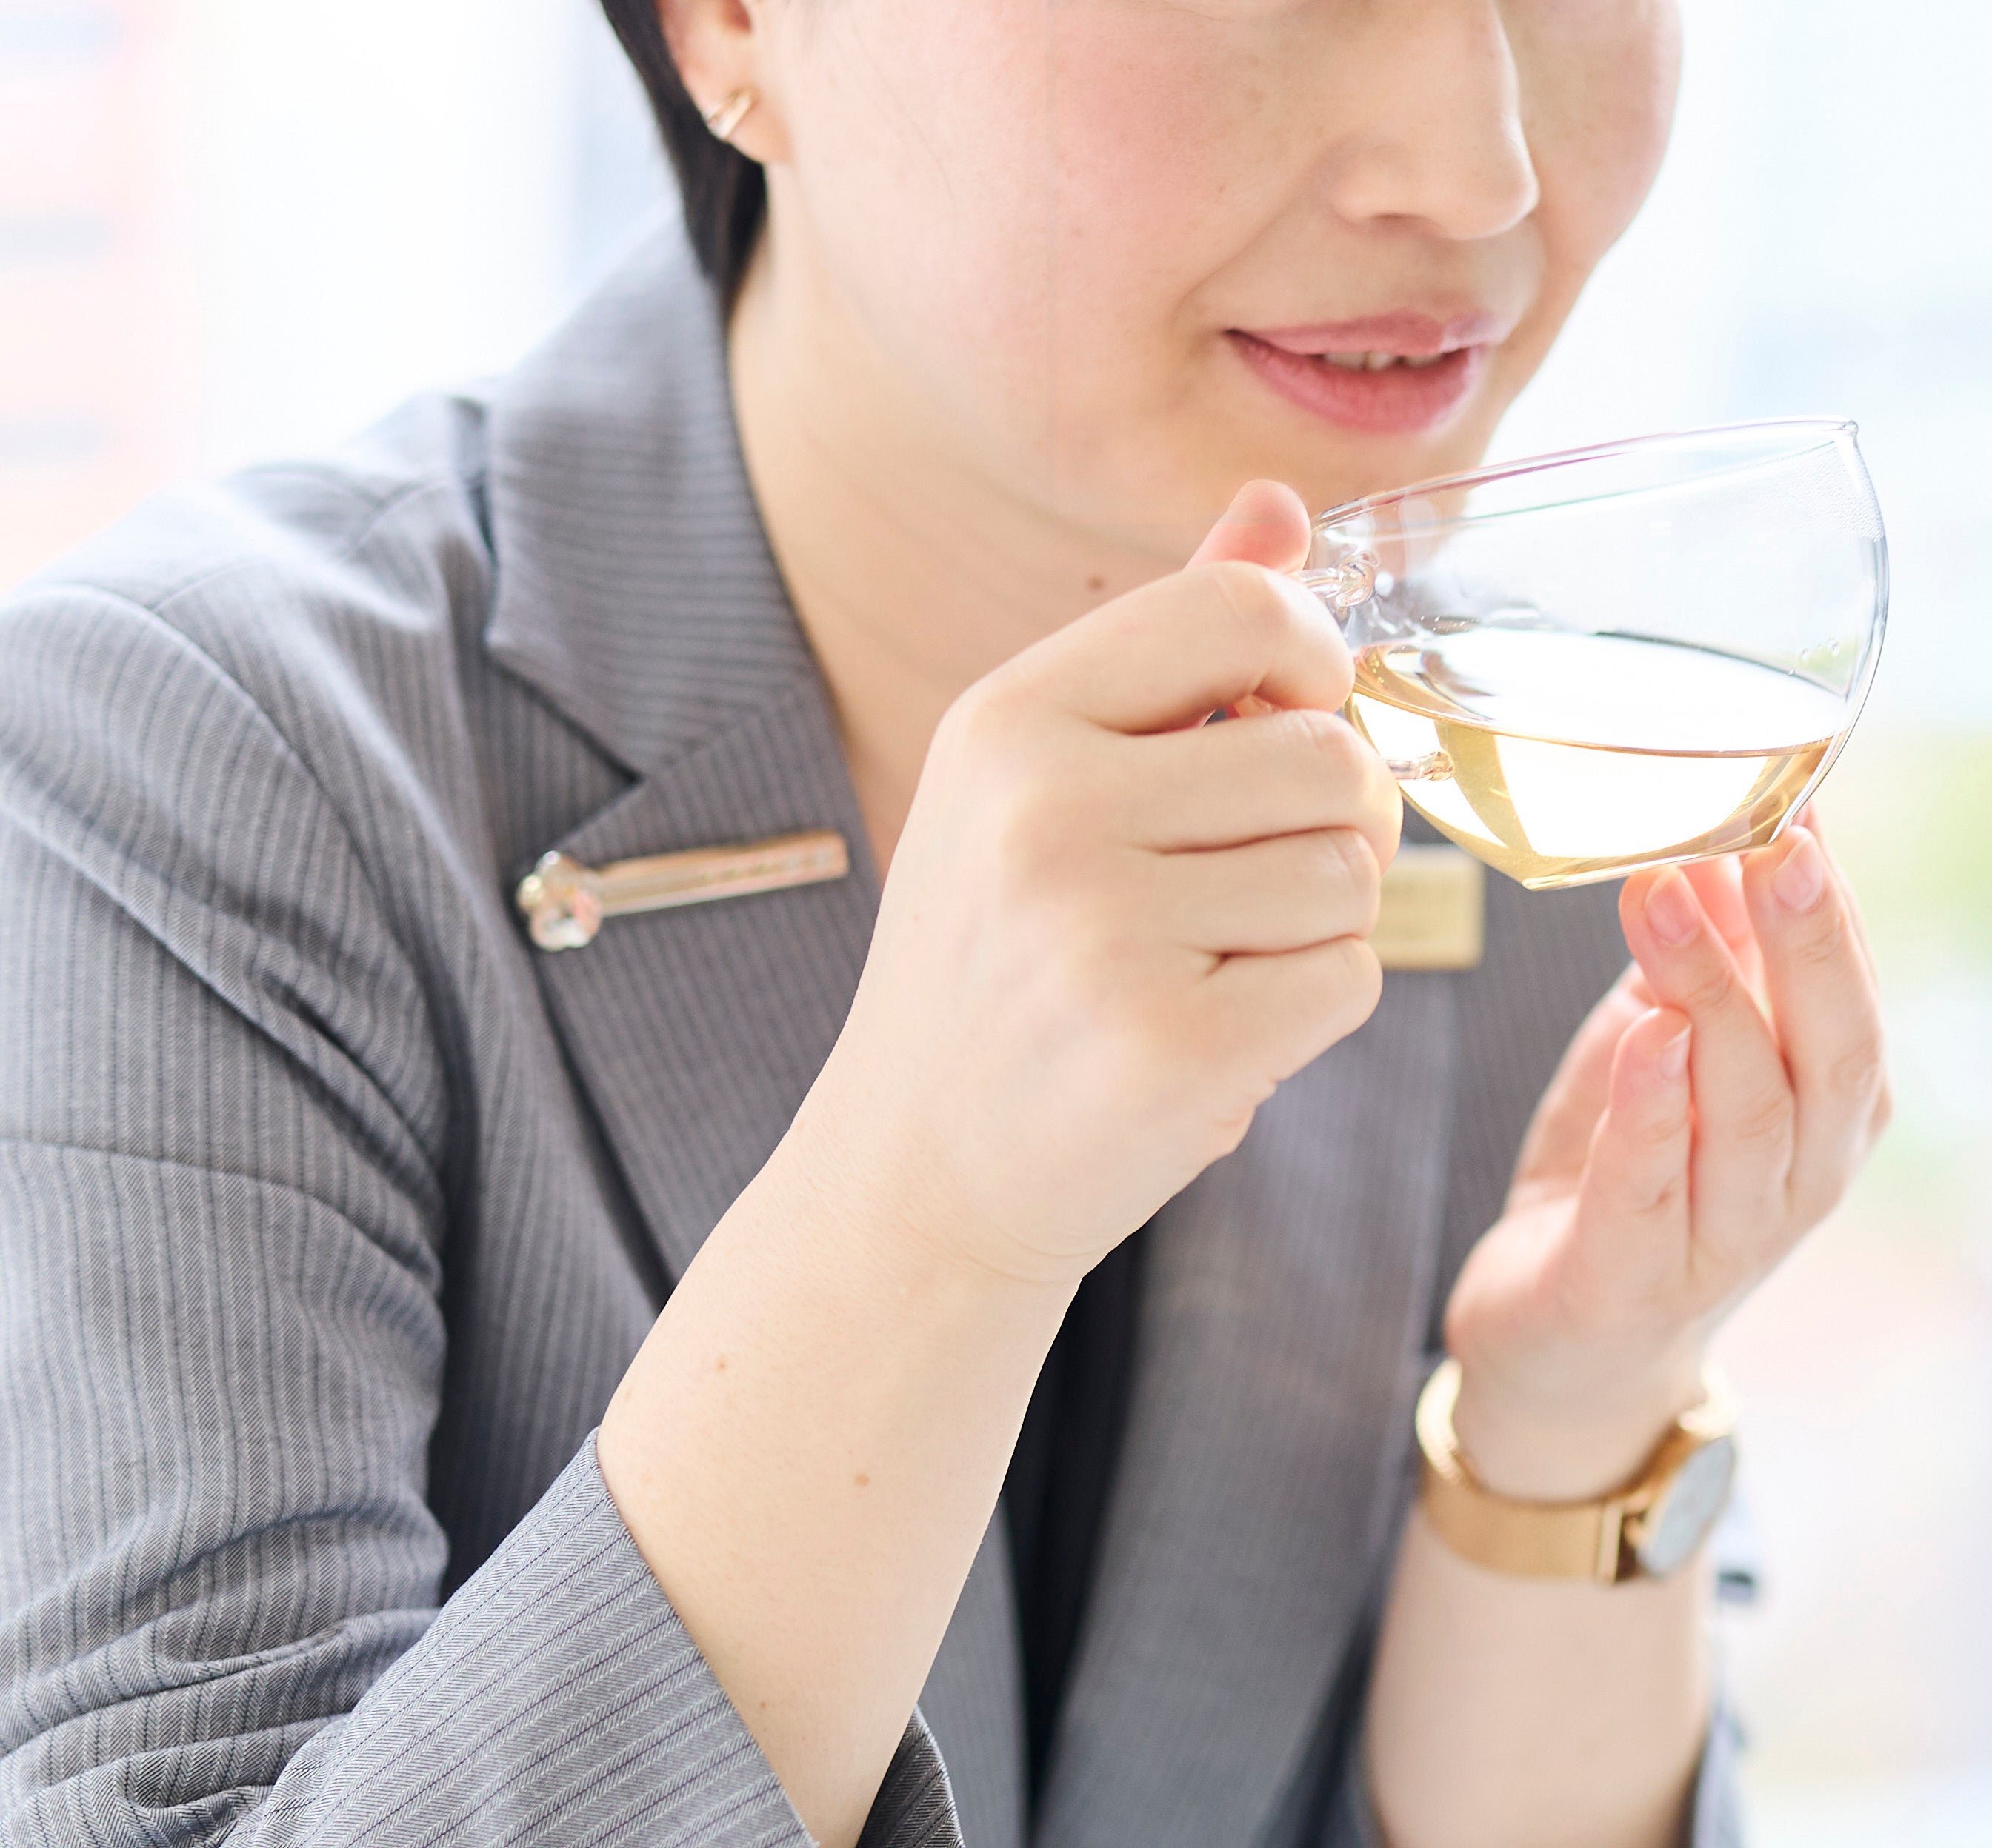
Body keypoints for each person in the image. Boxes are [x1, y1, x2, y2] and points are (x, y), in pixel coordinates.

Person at [0, 2, 1891, 1844]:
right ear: (730, 25)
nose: (1477, 172)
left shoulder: (1515, 782)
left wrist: (1564, 1428)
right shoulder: (182, 771)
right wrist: (921, 1222)